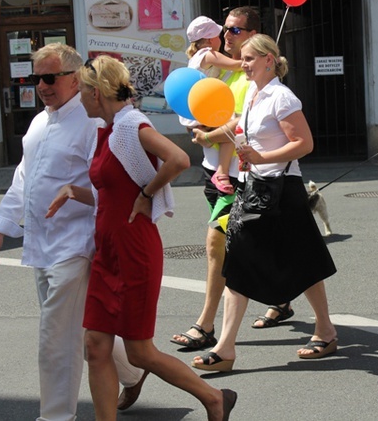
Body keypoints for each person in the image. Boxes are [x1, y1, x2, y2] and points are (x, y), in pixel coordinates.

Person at [46, 55, 237, 421]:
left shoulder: (131, 124)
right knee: (96, 345)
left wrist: (148, 193)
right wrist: (74, 191)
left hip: (134, 250)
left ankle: (214, 397)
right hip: (107, 252)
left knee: (139, 352)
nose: (79, 99)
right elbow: (112, 193)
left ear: (96, 92)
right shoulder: (108, 130)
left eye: (83, 91)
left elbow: (179, 159)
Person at [0, 43, 147, 421]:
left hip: (78, 242)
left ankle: (55, 416)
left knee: (56, 334)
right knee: (80, 324)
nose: (41, 85)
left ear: (74, 78)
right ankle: (134, 372)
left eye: (49, 77)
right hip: (42, 242)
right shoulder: (40, 121)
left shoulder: (92, 121)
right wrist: (0, 228)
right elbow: (24, 177)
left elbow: (110, 184)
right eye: (35, 77)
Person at [191, 34, 338, 371]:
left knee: (285, 261)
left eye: (249, 59)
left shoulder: (281, 97)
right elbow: (244, 133)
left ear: (269, 60)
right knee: (291, 260)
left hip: (282, 190)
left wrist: (261, 155)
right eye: (242, 59)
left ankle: (228, 346)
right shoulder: (254, 95)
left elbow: (304, 143)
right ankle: (322, 330)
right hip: (255, 188)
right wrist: (230, 145)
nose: (242, 64)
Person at [174, 7, 292, 351]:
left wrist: (211, 136)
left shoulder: (254, 78)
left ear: (253, 35)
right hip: (214, 172)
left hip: (244, 178)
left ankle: (206, 325)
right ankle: (284, 298)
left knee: (217, 245)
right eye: (225, 30)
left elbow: (242, 124)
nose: (227, 37)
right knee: (264, 244)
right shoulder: (219, 70)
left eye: (236, 31)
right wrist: (199, 128)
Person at [184, 15, 243, 195]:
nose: (223, 37)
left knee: (222, 133)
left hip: (194, 111)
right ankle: (222, 172)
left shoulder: (194, 58)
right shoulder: (209, 55)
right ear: (210, 39)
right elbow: (236, 65)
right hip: (203, 110)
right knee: (229, 129)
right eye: (219, 34)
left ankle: (219, 170)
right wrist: (259, 60)